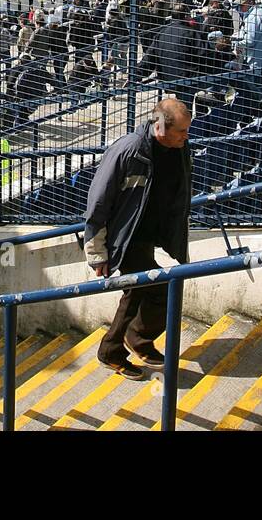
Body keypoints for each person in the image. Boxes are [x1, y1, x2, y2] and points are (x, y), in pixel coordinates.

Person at [84, 98, 193, 380]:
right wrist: (97, 252)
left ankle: (133, 341)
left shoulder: (179, 147)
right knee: (145, 290)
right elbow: (99, 201)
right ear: (159, 127)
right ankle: (118, 347)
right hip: (126, 235)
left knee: (149, 290)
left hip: (150, 232)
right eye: (181, 131)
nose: (186, 136)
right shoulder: (129, 149)